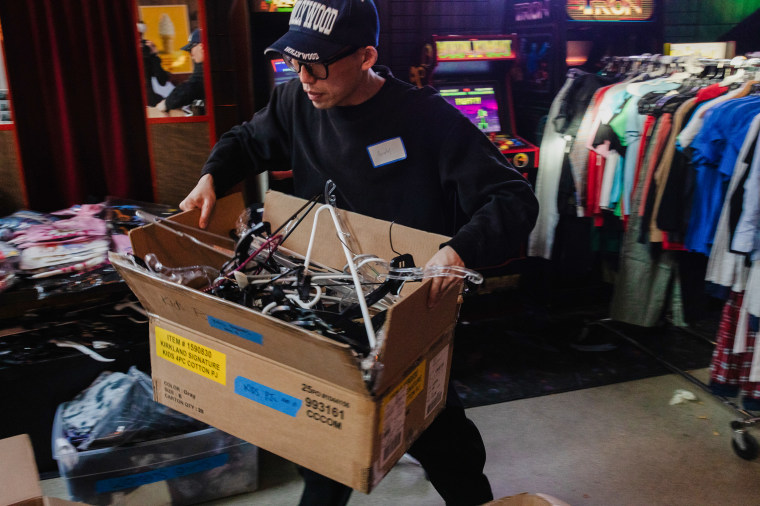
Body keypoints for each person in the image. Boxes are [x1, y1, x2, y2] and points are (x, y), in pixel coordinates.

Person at [180, 1, 539, 504]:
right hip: (323, 306)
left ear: (366, 56)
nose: (303, 77)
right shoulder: (295, 102)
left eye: (317, 64)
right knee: (328, 455)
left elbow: (512, 197)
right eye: (293, 62)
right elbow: (247, 140)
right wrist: (212, 177)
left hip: (408, 309)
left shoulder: (424, 118)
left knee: (442, 439)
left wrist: (459, 251)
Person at [156, 29, 204, 113]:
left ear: (202, 47)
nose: (191, 55)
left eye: (191, 49)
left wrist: (167, 103)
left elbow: (192, 86)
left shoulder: (205, 71)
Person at [138, 20, 173, 107]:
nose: (139, 38)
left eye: (140, 35)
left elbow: (162, 81)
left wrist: (154, 55)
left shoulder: (146, 51)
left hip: (149, 99)